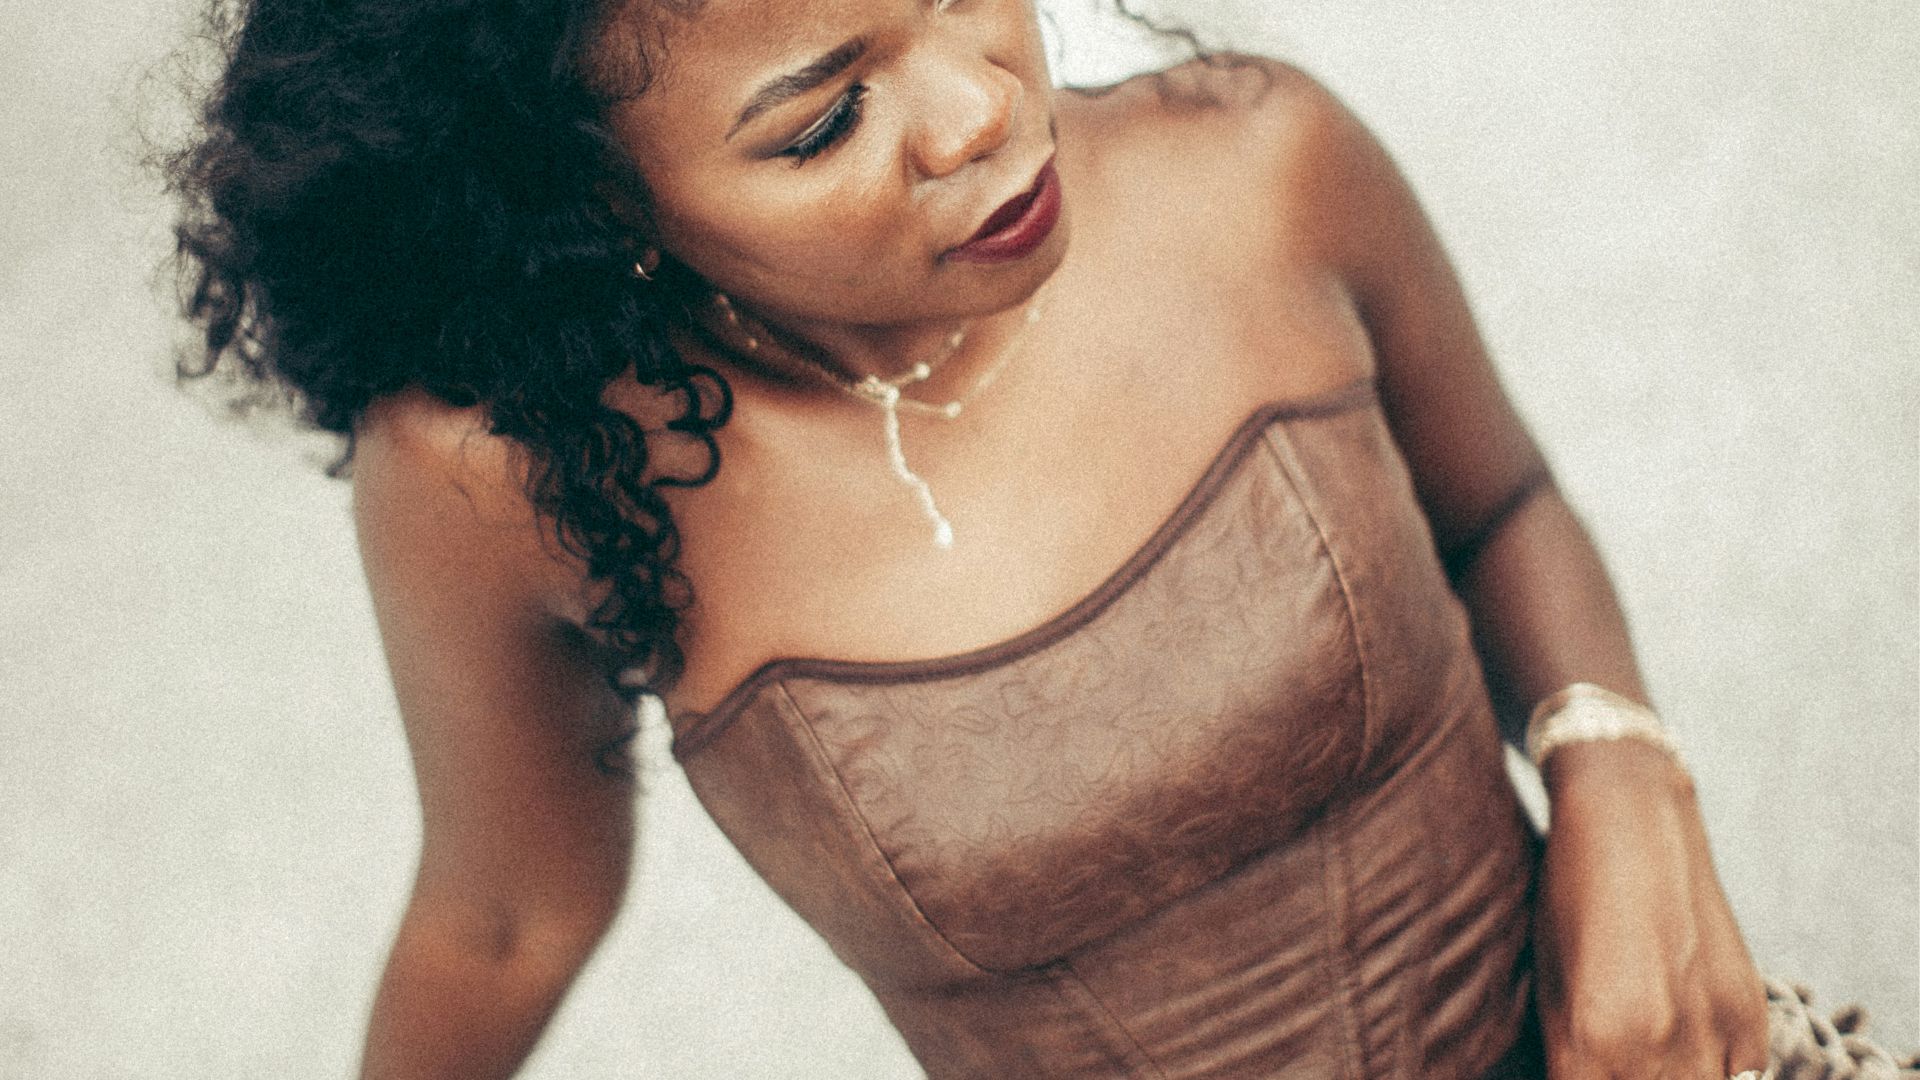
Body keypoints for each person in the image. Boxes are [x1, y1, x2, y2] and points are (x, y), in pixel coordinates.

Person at [163, 0, 1774, 1075]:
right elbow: (505, 915)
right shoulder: (518, 480)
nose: (981, 109)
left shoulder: (1262, 165)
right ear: (585, 209)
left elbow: (1498, 507)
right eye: (821, 123)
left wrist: (1618, 765)